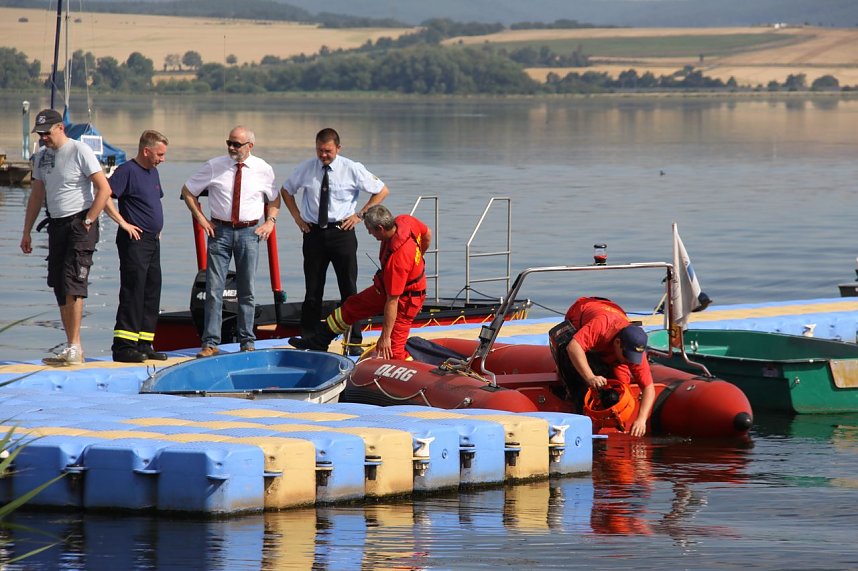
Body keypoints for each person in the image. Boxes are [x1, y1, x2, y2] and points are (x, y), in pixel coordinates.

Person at [280, 128, 389, 355]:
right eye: (320, 150)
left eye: (328, 151)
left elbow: (381, 190)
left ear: (338, 148)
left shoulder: (352, 168)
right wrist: (297, 218)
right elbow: (286, 191)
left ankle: (354, 340)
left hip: (342, 232)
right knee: (313, 290)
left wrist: (360, 215)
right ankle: (310, 338)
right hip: (313, 233)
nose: (323, 155)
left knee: (348, 288)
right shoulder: (306, 168)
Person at [20, 108, 114, 366]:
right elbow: (37, 195)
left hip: (79, 222)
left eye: (47, 133)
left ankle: (75, 345)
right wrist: (26, 230)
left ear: (60, 128)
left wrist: (88, 220)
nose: (43, 138)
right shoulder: (41, 156)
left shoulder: (79, 151)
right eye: (39, 134)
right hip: (56, 224)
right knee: (59, 284)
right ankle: (72, 346)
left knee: (73, 282)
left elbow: (104, 188)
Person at [181, 126, 280, 358]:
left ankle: (247, 341)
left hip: (249, 233)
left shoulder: (263, 169)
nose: (232, 148)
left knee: (248, 290)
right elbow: (188, 191)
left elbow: (275, 198)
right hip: (220, 232)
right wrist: (202, 220)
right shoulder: (215, 165)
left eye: (237, 144)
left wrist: (270, 222)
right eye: (229, 143)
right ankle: (210, 342)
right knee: (214, 290)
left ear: (250, 146)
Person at [289, 204, 431, 360]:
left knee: (393, 350)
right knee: (350, 307)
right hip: (386, 286)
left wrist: (385, 337)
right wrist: (418, 259)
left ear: (380, 228)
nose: (370, 233)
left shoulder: (397, 261)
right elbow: (427, 234)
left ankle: (409, 372)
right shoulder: (406, 221)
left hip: (406, 300)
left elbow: (393, 301)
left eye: (370, 229)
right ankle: (319, 341)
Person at [101, 130, 170, 363]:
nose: (162, 159)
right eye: (159, 154)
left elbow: (153, 203)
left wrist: (158, 228)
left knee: (152, 290)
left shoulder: (153, 173)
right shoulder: (127, 171)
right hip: (134, 240)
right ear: (146, 150)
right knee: (134, 289)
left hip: (152, 240)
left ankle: (144, 342)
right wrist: (123, 223)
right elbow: (105, 196)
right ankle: (123, 346)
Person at [552, 296, 655, 437]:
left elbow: (649, 387)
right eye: (626, 357)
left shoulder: (634, 347)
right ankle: (581, 415)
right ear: (618, 343)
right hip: (581, 314)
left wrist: (641, 419)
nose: (629, 361)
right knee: (577, 372)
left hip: (614, 314)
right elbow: (573, 347)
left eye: (632, 358)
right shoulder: (602, 326)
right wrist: (590, 377)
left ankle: (613, 423)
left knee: (621, 384)